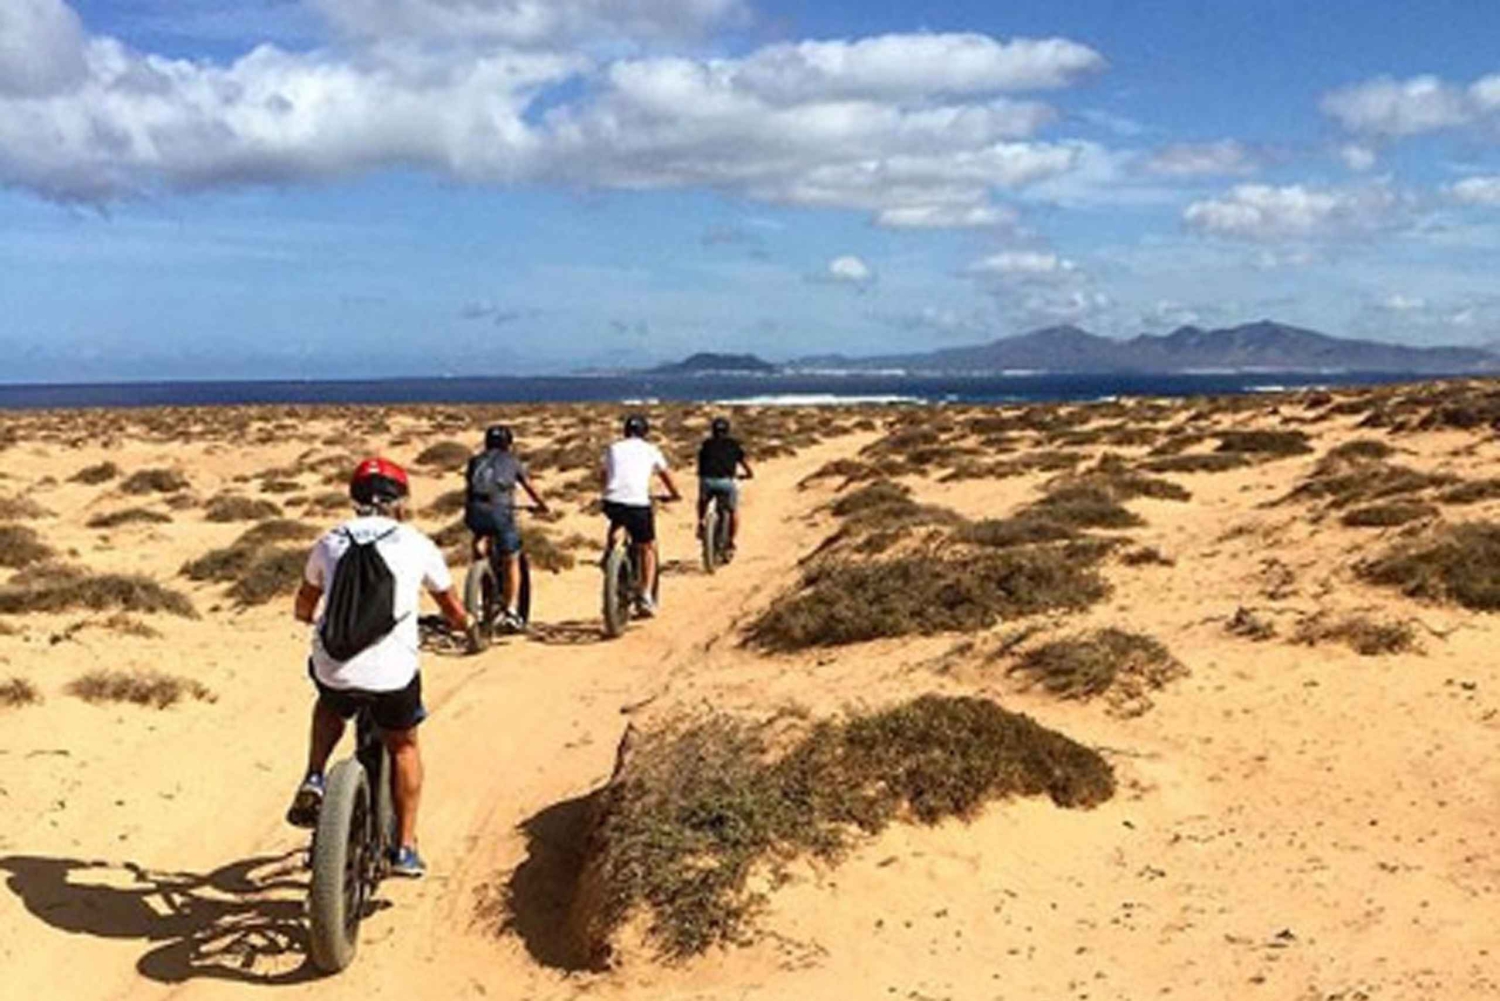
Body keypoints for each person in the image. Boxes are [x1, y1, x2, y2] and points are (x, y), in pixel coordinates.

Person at [286, 457, 478, 879]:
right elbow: (452, 608)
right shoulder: (417, 544)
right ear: (401, 501)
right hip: (392, 674)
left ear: (354, 499)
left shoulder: (329, 541)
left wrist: (310, 619)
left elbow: (305, 603)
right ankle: (405, 848)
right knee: (404, 745)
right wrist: (467, 627)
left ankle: (316, 776)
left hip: (334, 662)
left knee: (330, 700)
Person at [464, 424, 549, 632]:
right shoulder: (513, 461)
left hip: (475, 510)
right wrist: (543, 506)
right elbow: (530, 487)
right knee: (511, 558)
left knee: (480, 537)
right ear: (509, 444)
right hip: (500, 512)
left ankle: (479, 569)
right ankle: (510, 611)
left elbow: (469, 487)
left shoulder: (475, 461)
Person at [601, 414, 681, 617]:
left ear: (626, 431)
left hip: (613, 501)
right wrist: (675, 494)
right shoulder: (651, 450)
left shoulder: (613, 448)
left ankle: (612, 553)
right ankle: (645, 595)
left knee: (618, 520)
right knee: (647, 546)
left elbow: (605, 474)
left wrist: (607, 490)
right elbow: (666, 475)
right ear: (645, 432)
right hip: (638, 503)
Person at [696, 416, 753, 557]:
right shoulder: (733, 445)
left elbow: (700, 464)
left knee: (702, 500)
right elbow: (744, 463)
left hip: (707, 481)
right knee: (733, 510)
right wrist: (749, 474)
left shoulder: (706, 444)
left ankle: (701, 522)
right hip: (726, 482)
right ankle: (730, 542)